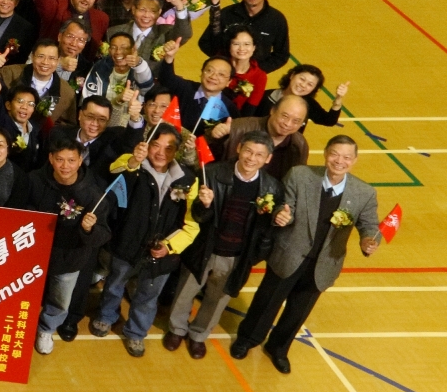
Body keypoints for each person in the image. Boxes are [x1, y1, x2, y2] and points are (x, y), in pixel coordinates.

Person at [231, 136, 384, 373]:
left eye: (346, 157)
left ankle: (278, 349)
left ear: (354, 160)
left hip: (324, 263)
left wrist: (368, 241)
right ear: (325, 153)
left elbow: (370, 226)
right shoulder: (300, 176)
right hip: (288, 254)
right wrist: (281, 215)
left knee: (298, 312)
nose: (339, 161)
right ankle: (247, 339)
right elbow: (285, 205)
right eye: (334, 154)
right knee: (266, 302)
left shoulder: (364, 192)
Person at [164, 132, 283, 359]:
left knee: (217, 299)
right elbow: (195, 216)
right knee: (185, 291)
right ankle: (176, 329)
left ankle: (198, 335)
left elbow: (266, 229)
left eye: (259, 155)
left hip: (236, 255)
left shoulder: (272, 188)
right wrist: (205, 205)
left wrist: (254, 256)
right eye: (248, 150)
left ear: (268, 159)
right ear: (238, 148)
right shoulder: (212, 173)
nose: (251, 158)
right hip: (205, 247)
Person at [94, 127, 198, 357]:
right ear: (146, 144)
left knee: (148, 296)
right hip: (126, 241)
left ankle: (136, 333)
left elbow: (192, 223)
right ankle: (106, 317)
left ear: (178, 151)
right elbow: (114, 174)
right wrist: (134, 161)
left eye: (169, 148)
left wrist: (169, 247)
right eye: (156, 145)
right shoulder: (132, 163)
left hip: (161, 250)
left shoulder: (188, 179)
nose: (161, 152)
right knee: (114, 284)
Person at [26, 138, 109, 355]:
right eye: (60, 159)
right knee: (24, 294)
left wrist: (90, 229)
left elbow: (104, 233)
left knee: (60, 301)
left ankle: (46, 329)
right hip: (32, 255)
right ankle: (21, 326)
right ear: (51, 159)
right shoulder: (33, 180)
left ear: (80, 161)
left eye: (71, 160)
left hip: (70, 258)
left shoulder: (93, 194)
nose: (65, 166)